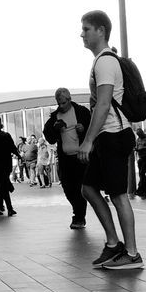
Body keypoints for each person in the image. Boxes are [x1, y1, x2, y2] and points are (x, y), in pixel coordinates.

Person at [78, 9, 142, 271]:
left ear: (100, 31)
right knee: (88, 188)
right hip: (108, 136)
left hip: (114, 135)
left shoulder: (105, 62)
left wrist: (88, 140)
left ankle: (132, 253)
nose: (82, 34)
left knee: (117, 195)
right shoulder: (101, 61)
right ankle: (114, 243)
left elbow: (103, 105)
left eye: (86, 29)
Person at [44, 87, 90, 229]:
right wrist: (55, 128)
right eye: (59, 103)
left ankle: (79, 216)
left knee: (80, 188)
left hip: (81, 157)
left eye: (63, 103)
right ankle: (78, 213)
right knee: (67, 187)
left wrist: (84, 129)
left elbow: (94, 128)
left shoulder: (82, 112)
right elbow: (49, 137)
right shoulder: (54, 117)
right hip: (65, 159)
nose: (61, 106)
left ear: (69, 100)